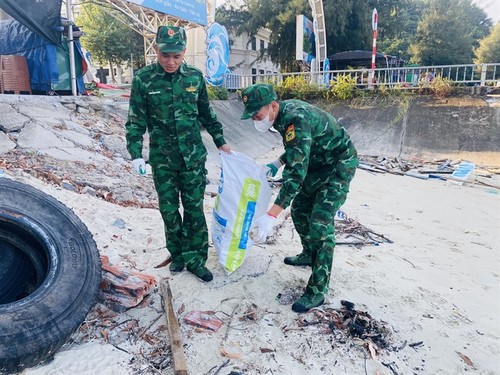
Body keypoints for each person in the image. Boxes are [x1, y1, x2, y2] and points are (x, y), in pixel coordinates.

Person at [125, 25, 231, 282]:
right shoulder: (143, 79)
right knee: (169, 211)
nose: (170, 62)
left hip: (193, 158)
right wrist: (136, 153)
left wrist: (221, 141)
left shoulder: (194, 78)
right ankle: (178, 254)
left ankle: (196, 259)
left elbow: (207, 114)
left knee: (194, 210)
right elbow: (135, 120)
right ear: (157, 51)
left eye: (176, 56)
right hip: (163, 160)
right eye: (165, 56)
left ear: (184, 52)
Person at [242, 83, 358, 312]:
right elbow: (300, 146)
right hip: (317, 163)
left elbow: (295, 175)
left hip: (337, 166)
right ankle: (308, 253)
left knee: (320, 224)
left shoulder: (296, 118)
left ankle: (318, 290)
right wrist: (278, 162)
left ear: (273, 105)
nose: (255, 119)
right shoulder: (284, 116)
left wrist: (271, 214)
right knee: (300, 210)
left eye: (258, 114)